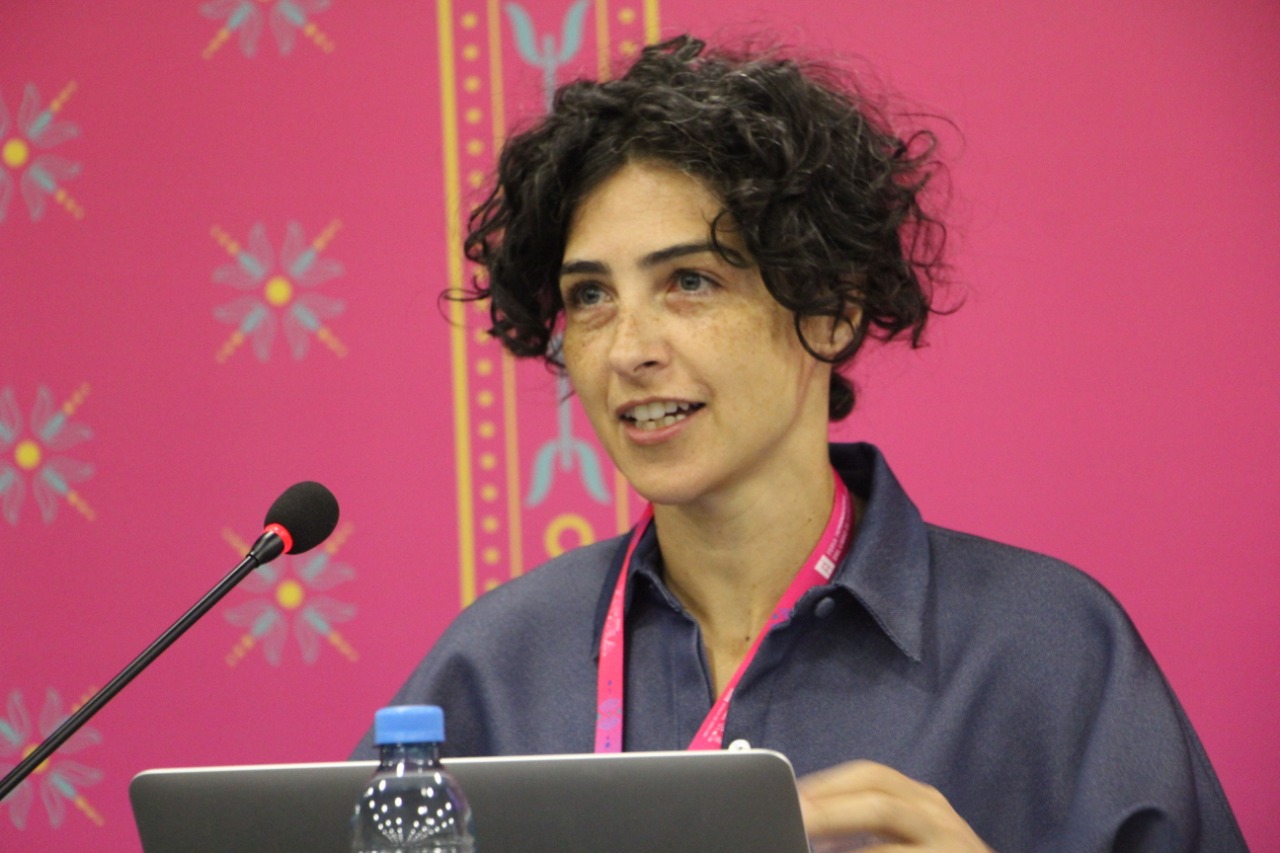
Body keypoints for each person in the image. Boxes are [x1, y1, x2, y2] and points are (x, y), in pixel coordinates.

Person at [356, 35, 1246, 851]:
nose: (628, 349)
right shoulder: (498, 665)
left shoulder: (1050, 650)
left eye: (690, 281)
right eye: (590, 296)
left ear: (830, 307)